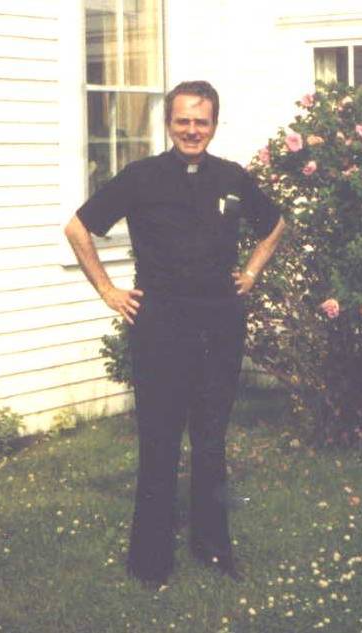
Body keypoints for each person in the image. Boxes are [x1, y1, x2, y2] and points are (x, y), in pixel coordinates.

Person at [64, 80, 285, 587]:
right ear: (168, 124)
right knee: (159, 440)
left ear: (214, 125)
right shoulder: (141, 177)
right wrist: (108, 290)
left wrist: (251, 273)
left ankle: (213, 549)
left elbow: (274, 225)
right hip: (160, 325)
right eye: (183, 120)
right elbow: (77, 228)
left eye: (201, 121)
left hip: (219, 325)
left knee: (210, 440)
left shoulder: (232, 178)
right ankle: (150, 562)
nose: (191, 130)